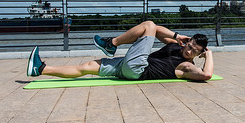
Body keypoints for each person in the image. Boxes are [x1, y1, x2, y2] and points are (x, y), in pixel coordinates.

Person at [26, 21, 214, 81]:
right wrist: (177, 35)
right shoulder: (176, 45)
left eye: (194, 51)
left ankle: (112, 44)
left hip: (138, 70)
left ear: (199, 54)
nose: (188, 51)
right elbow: (157, 30)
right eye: (189, 45)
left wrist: (209, 54)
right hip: (128, 68)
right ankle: (41, 69)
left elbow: (206, 74)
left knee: (147, 23)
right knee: (88, 66)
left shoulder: (186, 66)